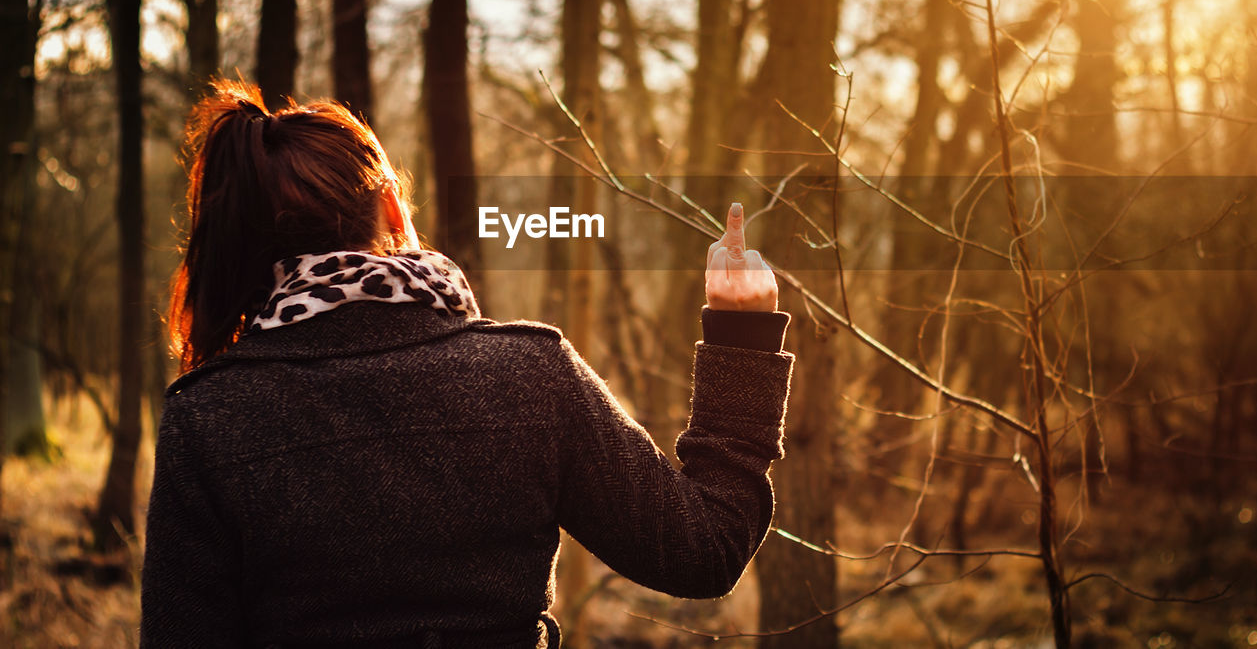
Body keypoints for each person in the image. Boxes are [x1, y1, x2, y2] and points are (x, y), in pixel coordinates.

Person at [140, 79, 795, 648]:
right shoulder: (528, 375)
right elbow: (703, 549)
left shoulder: (208, 417)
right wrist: (742, 333)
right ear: (393, 209)